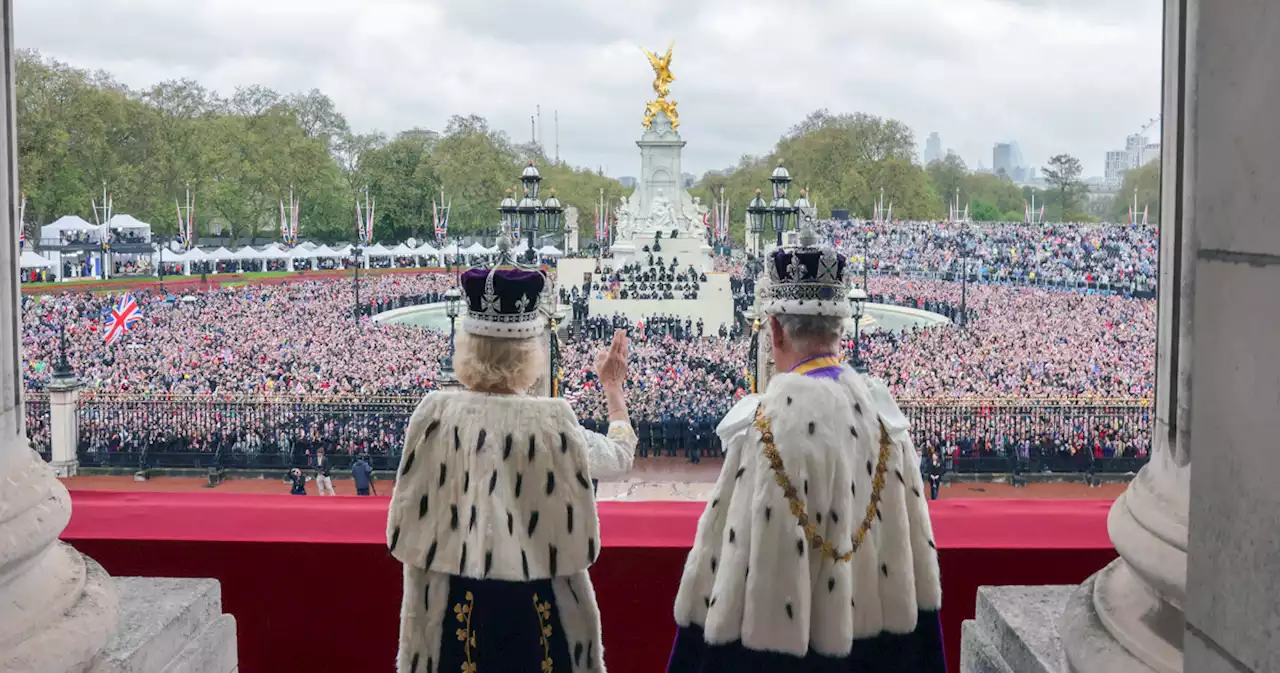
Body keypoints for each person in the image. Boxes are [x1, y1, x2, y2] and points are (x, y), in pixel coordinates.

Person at [666, 228, 945, 672]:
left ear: (775, 330)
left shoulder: (764, 426)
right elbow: (917, 570)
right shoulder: (886, 419)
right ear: (839, 328)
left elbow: (731, 569)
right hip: (875, 652)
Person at [385, 262, 637, 673]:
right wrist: (613, 389)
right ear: (529, 353)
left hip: (451, 608)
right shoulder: (552, 421)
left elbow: (406, 524)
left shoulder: (433, 413)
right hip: (537, 608)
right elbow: (619, 457)